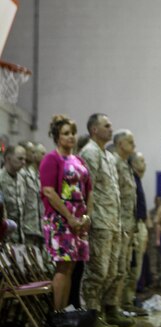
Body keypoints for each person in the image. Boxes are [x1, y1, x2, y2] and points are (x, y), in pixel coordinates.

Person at [80, 113, 128, 327]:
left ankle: (105, 311)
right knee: (97, 271)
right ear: (94, 130)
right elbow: (87, 189)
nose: (111, 129)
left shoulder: (107, 155)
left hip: (112, 220)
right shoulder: (89, 152)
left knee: (111, 271)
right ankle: (91, 314)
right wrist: (88, 218)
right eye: (106, 126)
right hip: (99, 220)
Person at [39, 115, 93, 312]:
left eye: (73, 133)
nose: (71, 137)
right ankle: (56, 314)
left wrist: (86, 216)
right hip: (60, 220)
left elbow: (90, 190)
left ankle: (65, 314)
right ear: (57, 136)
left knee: (71, 268)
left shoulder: (78, 160)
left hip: (79, 219)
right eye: (65, 133)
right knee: (63, 266)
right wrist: (69, 217)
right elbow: (48, 191)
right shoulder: (50, 159)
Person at [112, 129, 139, 320]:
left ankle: (117, 306)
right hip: (118, 224)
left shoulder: (125, 165)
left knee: (123, 269)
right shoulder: (114, 163)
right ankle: (109, 308)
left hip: (128, 226)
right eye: (130, 142)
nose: (134, 146)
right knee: (114, 269)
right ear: (120, 144)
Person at [125, 151, 149, 314]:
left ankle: (129, 299)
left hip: (140, 225)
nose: (145, 163)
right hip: (132, 226)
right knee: (130, 268)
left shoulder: (137, 180)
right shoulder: (130, 179)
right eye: (141, 160)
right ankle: (125, 302)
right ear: (133, 164)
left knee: (137, 268)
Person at [0, 145, 27, 243]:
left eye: (25, 159)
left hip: (20, 237)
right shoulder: (1, 179)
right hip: (5, 237)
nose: (23, 162)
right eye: (20, 159)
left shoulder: (21, 179)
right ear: (8, 158)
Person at [21, 141, 45, 247]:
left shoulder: (41, 175)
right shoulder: (25, 175)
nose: (45, 156)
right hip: (28, 227)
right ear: (35, 155)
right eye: (42, 153)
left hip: (40, 227)